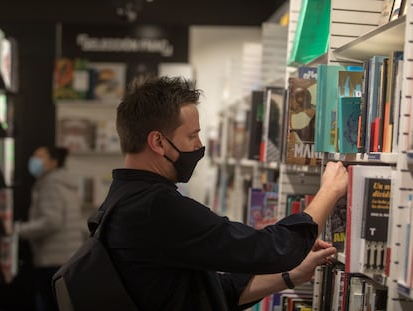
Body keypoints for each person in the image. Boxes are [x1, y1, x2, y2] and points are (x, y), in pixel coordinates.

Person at [101, 76, 348, 310]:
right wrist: (329, 191)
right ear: (158, 142)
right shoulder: (156, 208)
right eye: (192, 135)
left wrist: (289, 276)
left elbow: (210, 293)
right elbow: (273, 249)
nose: (199, 145)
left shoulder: (124, 197)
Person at [17, 146, 84, 311]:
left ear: (54, 162)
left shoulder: (50, 184)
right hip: (66, 257)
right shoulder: (64, 183)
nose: (34, 160)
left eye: (40, 156)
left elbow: (52, 221)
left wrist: (18, 230)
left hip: (52, 258)